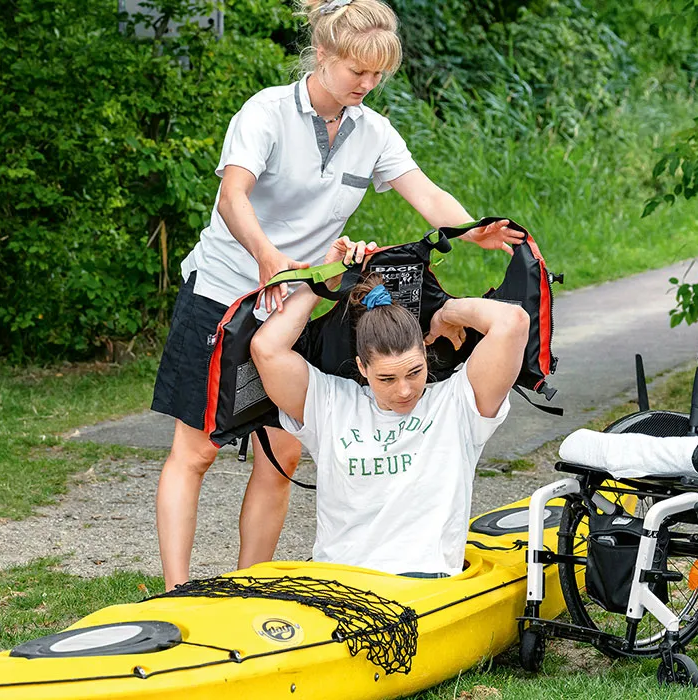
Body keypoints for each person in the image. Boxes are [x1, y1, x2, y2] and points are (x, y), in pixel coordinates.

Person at [151, 0, 524, 590]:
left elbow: (426, 194)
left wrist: (471, 230)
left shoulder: (373, 132)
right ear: (323, 54)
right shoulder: (267, 112)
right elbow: (232, 197)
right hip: (224, 293)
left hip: (293, 304)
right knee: (196, 452)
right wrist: (267, 256)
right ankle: (174, 591)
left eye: (378, 74)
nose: (367, 84)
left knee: (282, 455)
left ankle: (247, 588)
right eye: (358, 71)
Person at [249, 237, 529, 576]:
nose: (405, 390)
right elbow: (266, 348)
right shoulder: (330, 402)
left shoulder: (456, 404)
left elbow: (513, 322)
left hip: (422, 584)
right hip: (339, 580)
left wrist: (447, 313)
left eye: (415, 372)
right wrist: (326, 278)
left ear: (425, 354)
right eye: (387, 379)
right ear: (363, 368)